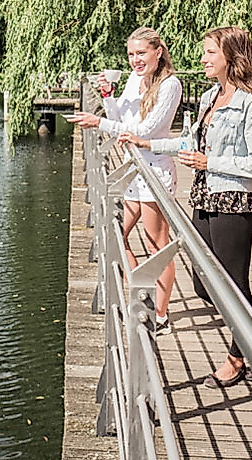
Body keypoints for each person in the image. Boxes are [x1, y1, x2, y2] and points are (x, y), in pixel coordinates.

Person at [122, 26, 252, 388]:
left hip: (235, 200)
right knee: (203, 284)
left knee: (233, 285)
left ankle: (238, 359)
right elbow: (189, 142)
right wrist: (148, 144)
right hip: (205, 197)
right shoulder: (210, 96)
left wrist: (210, 163)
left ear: (231, 56)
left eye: (210, 52)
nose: (203, 58)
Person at [70, 27, 182, 333]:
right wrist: (108, 97)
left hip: (154, 171)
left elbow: (143, 132)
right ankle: (140, 294)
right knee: (116, 236)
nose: (135, 60)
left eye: (141, 53)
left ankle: (160, 314)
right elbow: (120, 120)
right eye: (131, 54)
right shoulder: (134, 79)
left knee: (156, 244)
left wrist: (97, 122)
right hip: (134, 169)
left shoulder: (170, 85)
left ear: (158, 51)